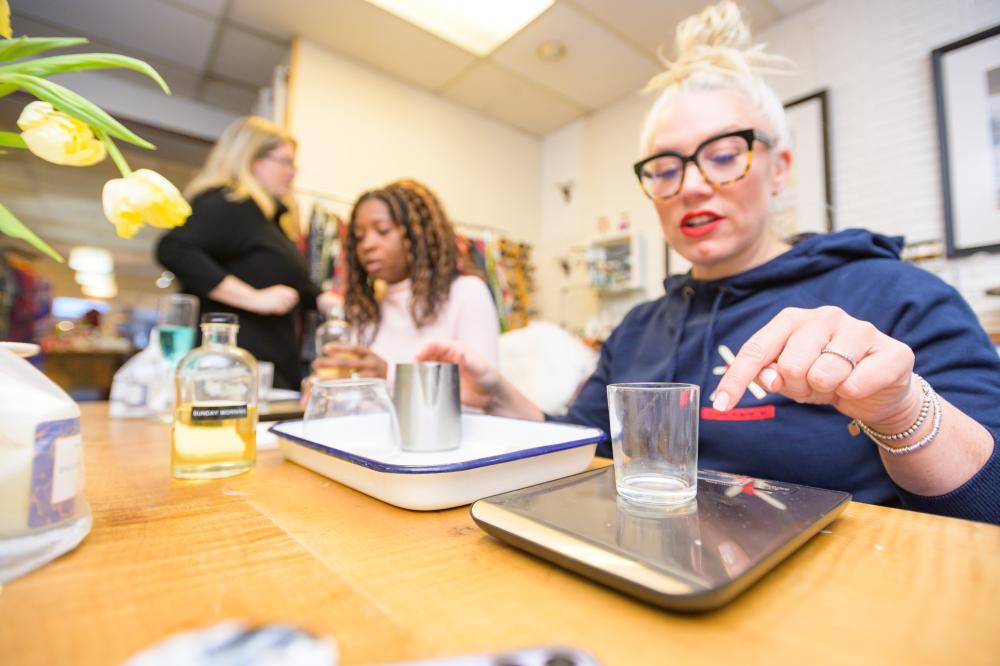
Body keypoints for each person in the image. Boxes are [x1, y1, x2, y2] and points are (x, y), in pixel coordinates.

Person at [417, 1, 1000, 524]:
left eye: (724, 156)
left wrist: (899, 408)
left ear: (779, 168)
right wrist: (498, 396)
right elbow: (585, 448)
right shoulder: (641, 326)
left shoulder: (897, 294)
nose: (692, 185)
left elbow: (990, 502)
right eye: (666, 169)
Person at [155, 116, 336, 389]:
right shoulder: (230, 204)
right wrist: (254, 298)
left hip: (264, 370)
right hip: (230, 376)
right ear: (251, 159)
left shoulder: (269, 221)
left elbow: (293, 286)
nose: (292, 172)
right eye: (285, 162)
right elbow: (174, 249)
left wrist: (326, 300)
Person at [312, 179, 499, 382]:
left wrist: (389, 376)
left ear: (417, 235)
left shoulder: (467, 294)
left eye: (382, 231)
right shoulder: (367, 312)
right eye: (358, 236)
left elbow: (483, 393)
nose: (367, 245)